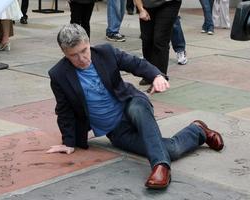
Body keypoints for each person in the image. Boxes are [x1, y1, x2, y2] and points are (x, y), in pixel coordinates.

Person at [47, 24, 224, 189]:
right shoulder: (58, 74)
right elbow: (64, 110)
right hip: (116, 131)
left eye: (84, 51)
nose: (81, 58)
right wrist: (68, 142)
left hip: (130, 105)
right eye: (73, 55)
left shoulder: (105, 52)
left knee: (138, 109)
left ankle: (160, 167)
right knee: (172, 150)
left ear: (88, 43)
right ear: (64, 53)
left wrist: (156, 76)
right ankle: (198, 130)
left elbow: (135, 63)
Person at [134, 0, 181, 87]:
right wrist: (141, 9)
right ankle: (149, 74)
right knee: (147, 39)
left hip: (169, 4)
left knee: (160, 39)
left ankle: (160, 77)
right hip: (147, 5)